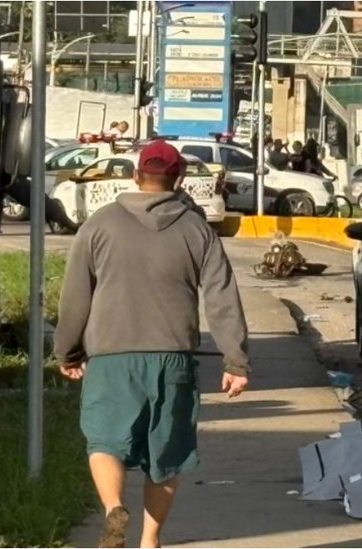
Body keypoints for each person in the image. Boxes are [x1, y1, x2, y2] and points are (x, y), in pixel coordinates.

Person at [54, 140, 249, 548]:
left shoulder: (100, 225)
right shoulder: (198, 229)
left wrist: (67, 350)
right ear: (178, 180)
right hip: (173, 358)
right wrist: (235, 360)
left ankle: (112, 508)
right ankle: (150, 541)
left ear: (135, 175)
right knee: (167, 456)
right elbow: (221, 295)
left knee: (104, 440)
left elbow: (76, 295)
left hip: (111, 357)